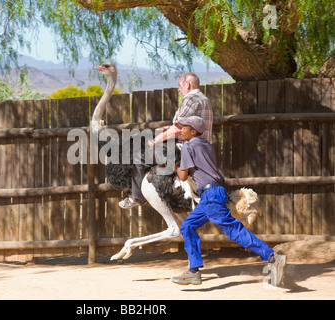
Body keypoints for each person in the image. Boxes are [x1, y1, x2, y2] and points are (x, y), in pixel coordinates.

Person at [171, 115, 287, 286]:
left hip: (210, 194)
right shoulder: (206, 144)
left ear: (193, 131)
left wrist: (173, 164)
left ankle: (272, 257)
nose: (181, 130)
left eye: (184, 127)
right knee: (188, 226)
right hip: (215, 192)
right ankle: (193, 271)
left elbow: (182, 175)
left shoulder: (188, 146)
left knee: (233, 230)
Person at [119, 72, 213, 209]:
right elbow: (184, 125)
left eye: (180, 85)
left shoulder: (191, 99)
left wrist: (155, 140)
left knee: (139, 159)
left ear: (187, 85)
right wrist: (166, 128)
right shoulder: (204, 99)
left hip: (185, 147)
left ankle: (136, 197)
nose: (178, 89)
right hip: (202, 147)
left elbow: (178, 129)